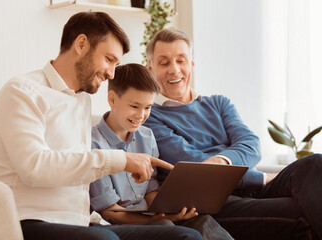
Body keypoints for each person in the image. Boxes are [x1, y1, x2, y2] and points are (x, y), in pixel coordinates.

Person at [0, 12, 203, 240]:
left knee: (186, 236)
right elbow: (34, 167)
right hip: (27, 221)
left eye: (116, 64)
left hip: (83, 221)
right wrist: (121, 160)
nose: (111, 73)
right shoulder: (22, 91)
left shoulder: (82, 100)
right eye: (109, 59)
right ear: (81, 44)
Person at [143, 28, 322, 240]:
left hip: (249, 192)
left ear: (191, 65)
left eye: (181, 60)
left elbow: (250, 144)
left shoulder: (219, 103)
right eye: (164, 63)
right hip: (211, 203)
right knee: (300, 208)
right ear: (150, 68)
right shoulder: (150, 115)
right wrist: (261, 178)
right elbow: (195, 168)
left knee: (314, 164)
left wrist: (222, 161)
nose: (174, 70)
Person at [89, 63, 232, 240]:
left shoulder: (147, 136)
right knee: (165, 226)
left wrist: (166, 212)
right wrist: (158, 219)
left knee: (201, 220)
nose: (141, 115)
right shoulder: (92, 143)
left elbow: (150, 190)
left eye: (148, 107)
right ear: (112, 99)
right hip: (116, 224)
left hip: (151, 217)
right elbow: (109, 211)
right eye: (134, 106)